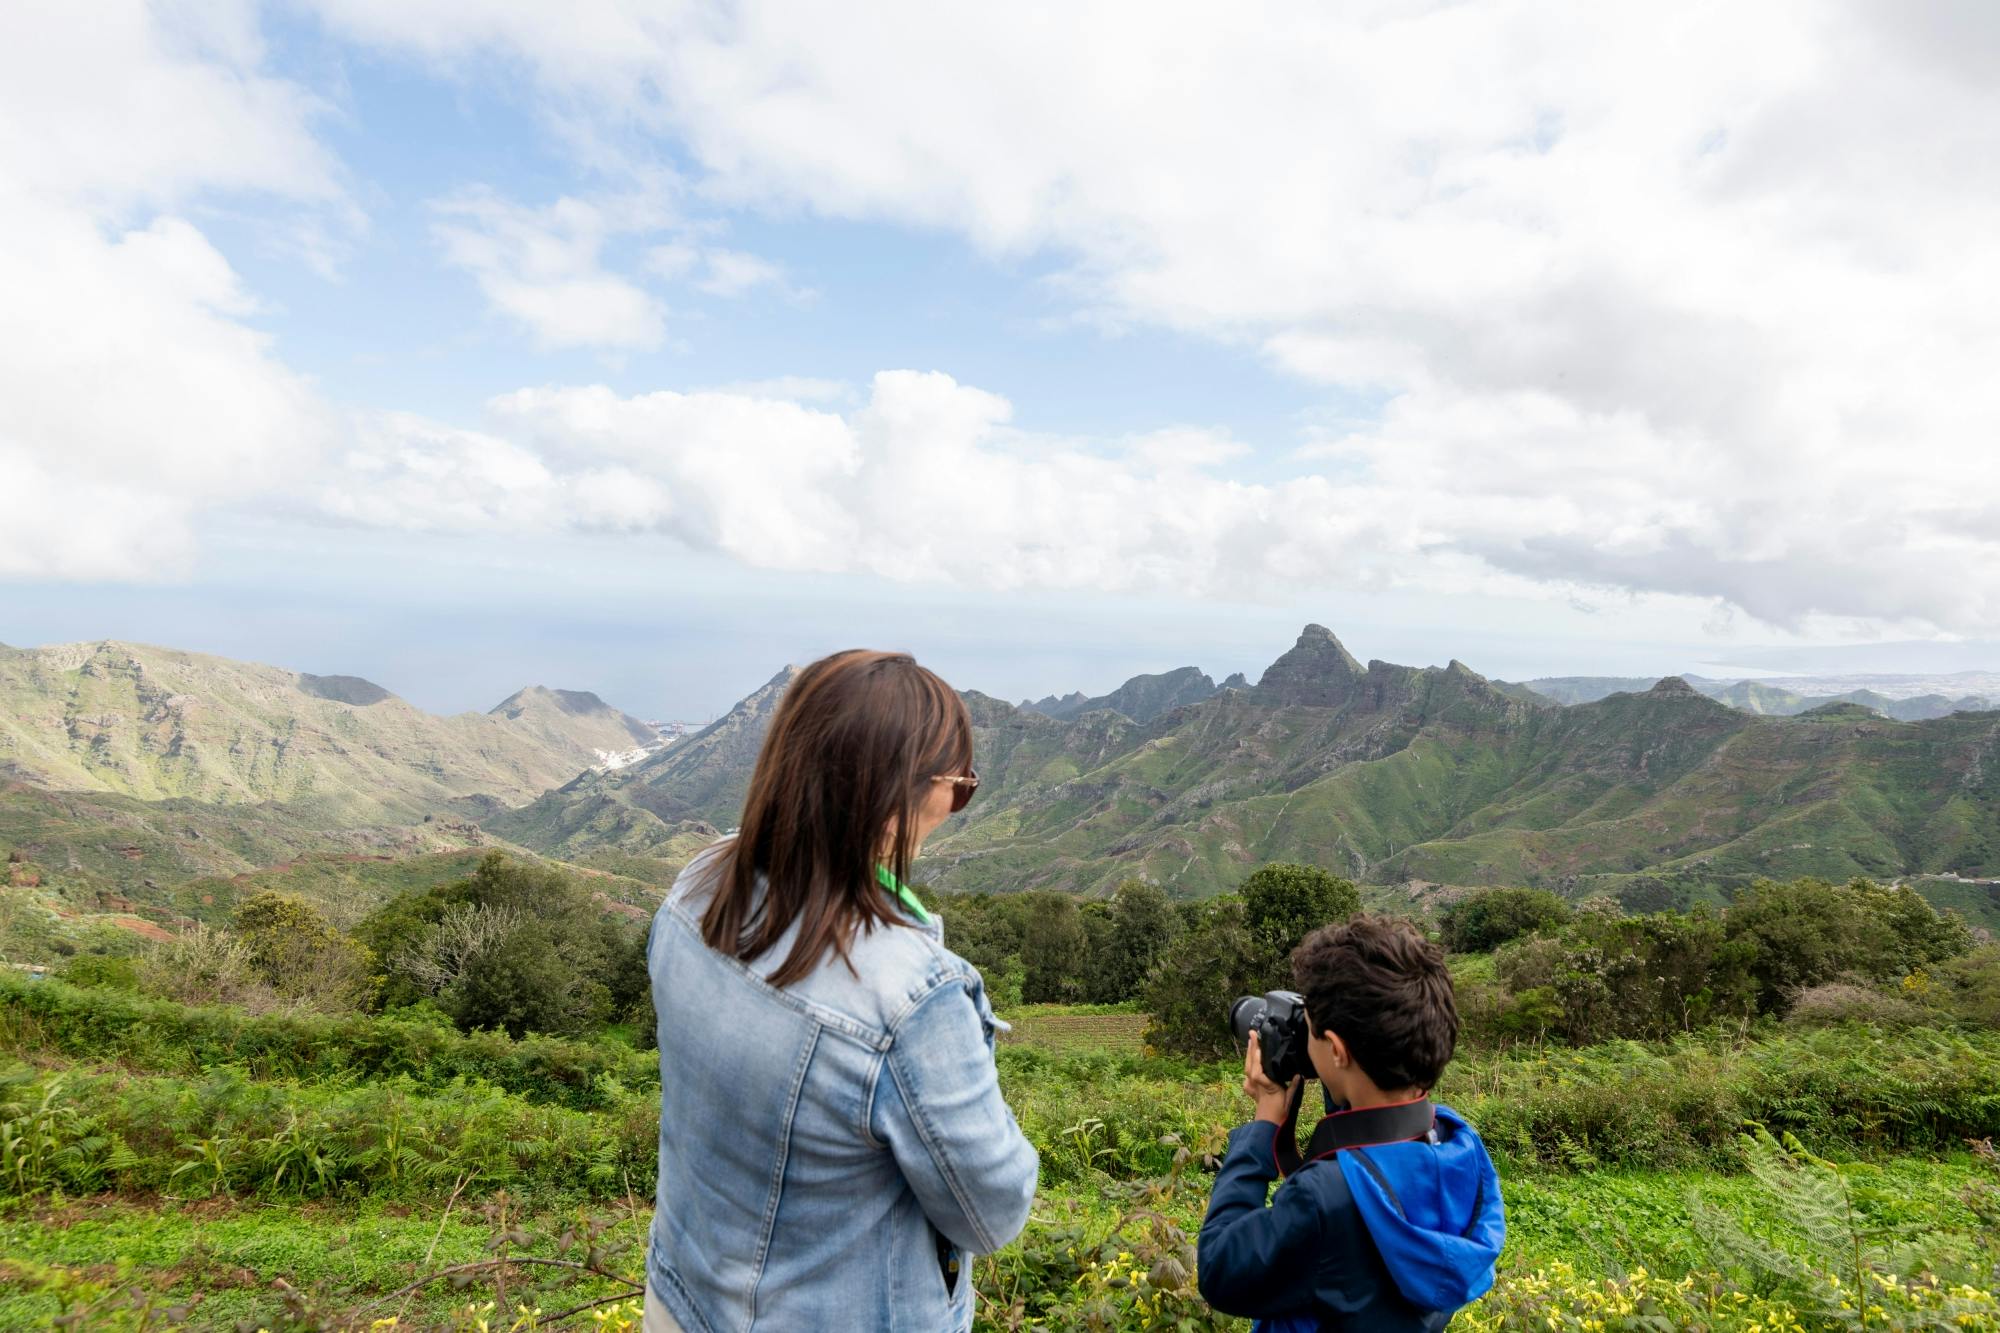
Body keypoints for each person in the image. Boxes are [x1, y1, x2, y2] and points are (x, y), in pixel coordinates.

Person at [645, 649, 1038, 1332]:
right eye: (959, 787)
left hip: (681, 1300)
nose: (957, 804)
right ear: (890, 802)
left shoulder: (699, 886)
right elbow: (992, 1209)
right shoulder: (913, 994)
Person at [1197, 916, 1505, 1331]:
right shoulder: (1456, 1143)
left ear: (1338, 1050)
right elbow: (1372, 1135)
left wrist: (1265, 1122)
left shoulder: (1323, 1200)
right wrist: (1334, 1072)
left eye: (1309, 1030)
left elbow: (1220, 1268)